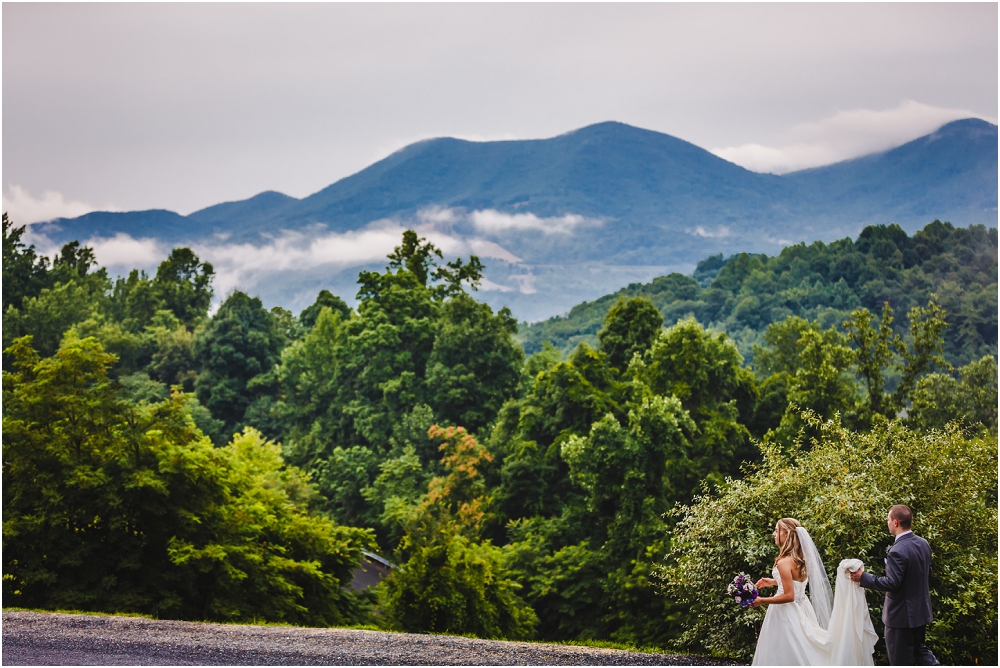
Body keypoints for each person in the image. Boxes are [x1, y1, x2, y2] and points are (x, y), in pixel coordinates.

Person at [751, 518, 877, 666]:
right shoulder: (802, 559)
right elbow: (797, 584)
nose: (774, 534)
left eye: (777, 530)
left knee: (783, 652)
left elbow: (789, 596)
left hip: (785, 614)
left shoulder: (783, 562)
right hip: (802, 608)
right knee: (803, 649)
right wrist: (773, 582)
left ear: (786, 534)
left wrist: (761, 600)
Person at [850, 505, 939, 666]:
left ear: (896, 522)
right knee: (921, 651)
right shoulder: (923, 543)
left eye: (888, 519)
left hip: (901, 617)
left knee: (899, 660)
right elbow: (928, 574)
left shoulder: (897, 550)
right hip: (920, 612)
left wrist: (863, 577)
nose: (887, 523)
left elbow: (892, 583)